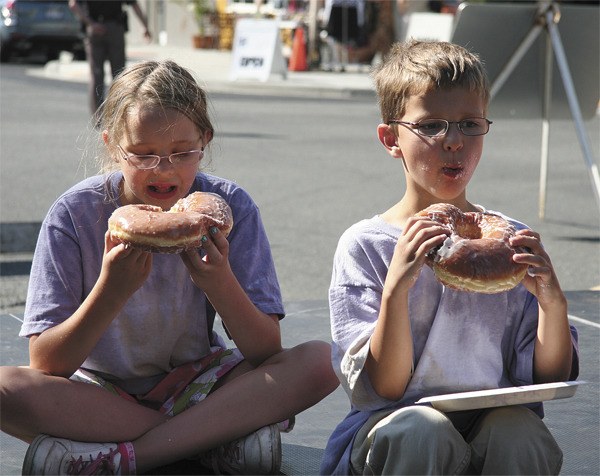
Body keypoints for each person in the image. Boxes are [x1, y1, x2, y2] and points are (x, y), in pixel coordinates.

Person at [0, 59, 339, 475]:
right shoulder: (75, 214)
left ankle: (127, 457)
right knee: (5, 389)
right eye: (143, 155)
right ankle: (213, 439)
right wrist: (111, 289)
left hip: (200, 381)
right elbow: (47, 363)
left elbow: (266, 349)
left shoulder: (228, 209)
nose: (164, 169)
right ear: (112, 146)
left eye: (183, 153)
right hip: (98, 393)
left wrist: (218, 281)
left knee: (322, 362)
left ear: (206, 141)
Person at [320, 39, 579, 475]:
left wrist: (553, 303)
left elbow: (548, 380)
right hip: (393, 425)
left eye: (469, 124)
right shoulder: (367, 245)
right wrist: (396, 290)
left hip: (494, 419)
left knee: (521, 433)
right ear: (391, 138)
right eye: (432, 125)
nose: (454, 141)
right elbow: (385, 386)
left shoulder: (511, 242)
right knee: (422, 431)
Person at [68, 0, 152, 118]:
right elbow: (134, 4)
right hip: (115, 28)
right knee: (119, 74)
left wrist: (90, 24)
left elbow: (73, 5)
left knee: (96, 74)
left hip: (94, 29)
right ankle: (118, 115)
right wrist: (145, 26)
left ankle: (98, 117)